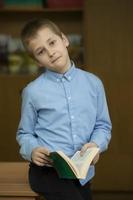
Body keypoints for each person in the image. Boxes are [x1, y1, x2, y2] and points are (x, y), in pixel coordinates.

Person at [16, 18, 112, 200]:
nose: (50, 52)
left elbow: (102, 126)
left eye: (52, 43)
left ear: (64, 40)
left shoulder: (94, 84)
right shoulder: (32, 92)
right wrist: (32, 150)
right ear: (37, 61)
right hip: (47, 173)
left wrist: (96, 146)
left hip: (81, 174)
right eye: (41, 51)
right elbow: (24, 133)